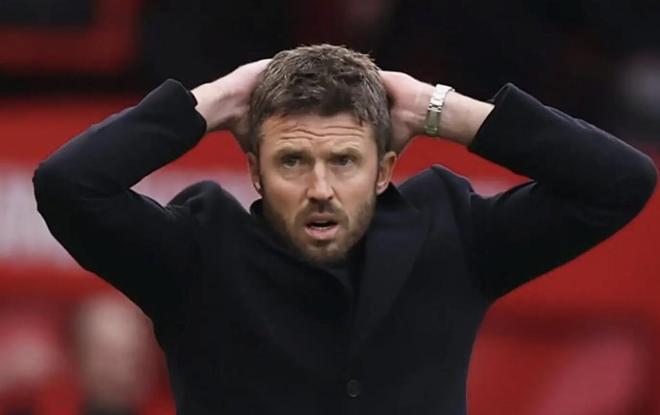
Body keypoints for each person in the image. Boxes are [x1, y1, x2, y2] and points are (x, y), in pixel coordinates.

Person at [33, 45, 657, 414]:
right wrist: (218, 99)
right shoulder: (196, 251)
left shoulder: (453, 233)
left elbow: (618, 182)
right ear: (253, 171)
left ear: (384, 170)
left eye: (344, 161)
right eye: (291, 161)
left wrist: (437, 107)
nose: (320, 188)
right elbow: (68, 185)